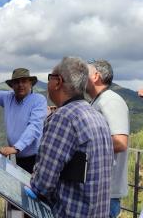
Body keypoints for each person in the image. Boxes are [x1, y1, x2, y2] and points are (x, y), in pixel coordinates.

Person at [30, 57, 113, 218]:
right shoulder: (97, 116)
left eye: (49, 78)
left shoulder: (64, 117)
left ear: (58, 82)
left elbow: (43, 184)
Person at [86, 59, 130, 218]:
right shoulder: (98, 101)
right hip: (99, 191)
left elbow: (120, 142)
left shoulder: (110, 101)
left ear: (96, 76)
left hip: (106, 194)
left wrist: (82, 144)